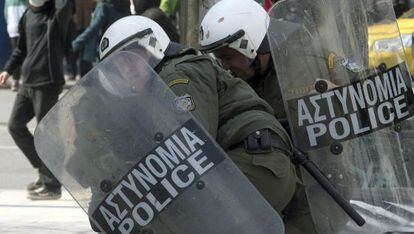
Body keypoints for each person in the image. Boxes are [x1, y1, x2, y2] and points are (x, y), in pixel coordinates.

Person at [96, 15, 304, 233]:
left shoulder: (176, 75)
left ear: (151, 48)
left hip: (257, 164)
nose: (126, 68)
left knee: (174, 209)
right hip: (249, 164)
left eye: (131, 58)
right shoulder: (156, 87)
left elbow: (186, 150)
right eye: (118, 64)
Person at [198, 0, 317, 233]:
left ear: (252, 46)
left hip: (315, 189)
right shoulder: (238, 78)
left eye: (228, 57)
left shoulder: (301, 69)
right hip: (272, 185)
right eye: (218, 58)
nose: (224, 66)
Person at [0, 0, 73, 200]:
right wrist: (8, 69)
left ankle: (52, 186)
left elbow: (65, 5)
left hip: (48, 82)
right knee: (15, 126)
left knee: (46, 134)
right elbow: (21, 49)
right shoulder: (27, 15)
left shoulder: (56, 14)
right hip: (27, 82)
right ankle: (46, 172)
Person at [4, 0, 27, 91]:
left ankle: (19, 80)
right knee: (20, 54)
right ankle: (17, 80)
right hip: (17, 29)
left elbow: (6, 14)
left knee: (20, 54)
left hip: (18, 29)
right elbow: (6, 13)